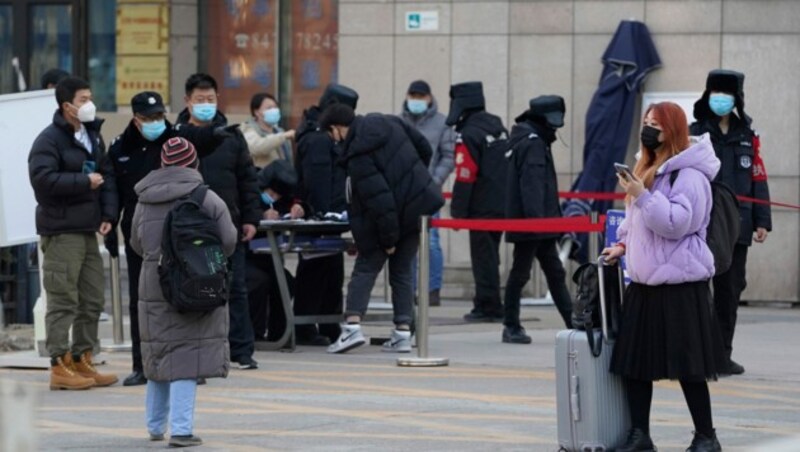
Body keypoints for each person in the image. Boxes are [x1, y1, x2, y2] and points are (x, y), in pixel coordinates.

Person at [603, 102, 727, 452]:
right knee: (636, 365)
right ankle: (640, 435)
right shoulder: (648, 167)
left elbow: (675, 225)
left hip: (681, 284)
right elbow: (636, 222)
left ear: (672, 129)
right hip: (644, 283)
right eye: (645, 121)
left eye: (655, 123)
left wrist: (641, 196)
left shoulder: (690, 176)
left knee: (690, 366)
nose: (648, 129)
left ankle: (706, 436)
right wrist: (622, 246)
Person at [106, 91, 231, 387]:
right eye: (149, 118)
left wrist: (217, 133)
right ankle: (143, 365)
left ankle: (191, 366)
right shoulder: (119, 149)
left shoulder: (174, 140)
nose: (156, 123)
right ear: (136, 120)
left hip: (184, 237)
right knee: (145, 305)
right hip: (143, 235)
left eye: (159, 116)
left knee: (190, 296)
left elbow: (201, 139)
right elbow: (111, 189)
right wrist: (110, 223)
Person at [131, 137, 237, 448]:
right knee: (187, 358)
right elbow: (228, 242)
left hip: (154, 282)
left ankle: (154, 426)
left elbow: (137, 244)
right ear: (194, 163)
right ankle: (181, 430)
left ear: (162, 164)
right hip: (195, 283)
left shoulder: (144, 199)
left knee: (159, 355)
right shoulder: (207, 198)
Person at [319, 104, 443, 354]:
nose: (333, 140)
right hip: (416, 208)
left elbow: (381, 201)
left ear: (337, 128)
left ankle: (352, 328)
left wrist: (389, 238)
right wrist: (411, 180)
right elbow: (424, 148)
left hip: (390, 218)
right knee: (402, 272)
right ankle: (402, 333)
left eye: (330, 134)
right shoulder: (388, 121)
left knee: (365, 267)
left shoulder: (357, 154)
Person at [28, 76, 119, 390]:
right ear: (67, 106)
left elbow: (105, 174)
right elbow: (42, 180)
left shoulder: (92, 135)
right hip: (61, 230)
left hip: (87, 228)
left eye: (90, 97)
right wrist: (83, 182)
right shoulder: (49, 140)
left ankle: (84, 358)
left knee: (92, 299)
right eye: (83, 99)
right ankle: (59, 364)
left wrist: (108, 215)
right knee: (63, 300)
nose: (89, 104)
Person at [176, 73, 262, 370]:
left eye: (210, 99)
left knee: (235, 288)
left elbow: (247, 180)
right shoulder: (177, 137)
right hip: (189, 227)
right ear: (187, 102)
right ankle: (200, 350)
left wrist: (252, 218)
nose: (205, 105)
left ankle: (242, 350)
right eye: (199, 100)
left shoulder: (231, 135)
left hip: (229, 224)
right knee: (194, 288)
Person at [689, 69, 771, 376]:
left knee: (730, 291)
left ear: (736, 99)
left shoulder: (748, 137)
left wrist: (763, 221)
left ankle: (722, 353)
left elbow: (758, 179)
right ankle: (699, 353)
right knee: (696, 291)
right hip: (700, 226)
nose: (720, 100)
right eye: (715, 93)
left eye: (726, 94)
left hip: (737, 227)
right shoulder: (695, 133)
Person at [502, 95, 573, 344]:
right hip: (534, 224)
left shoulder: (529, 138)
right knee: (522, 274)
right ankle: (511, 325)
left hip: (537, 223)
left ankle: (572, 321)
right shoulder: (533, 143)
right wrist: (539, 223)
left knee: (553, 272)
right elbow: (533, 186)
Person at [292, 83, 359, 345]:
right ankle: (306, 328)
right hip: (319, 219)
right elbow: (319, 182)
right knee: (315, 274)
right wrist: (326, 214)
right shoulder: (318, 138)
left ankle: (330, 325)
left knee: (332, 274)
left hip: (329, 219)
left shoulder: (318, 134)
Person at [446, 81, 508, 322]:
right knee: (491, 256)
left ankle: (488, 306)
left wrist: (458, 212)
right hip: (502, 203)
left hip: (481, 206)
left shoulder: (469, 134)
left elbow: (465, 173)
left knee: (484, 258)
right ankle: (489, 302)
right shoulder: (497, 125)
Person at [399, 80, 455, 307]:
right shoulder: (399, 122)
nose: (416, 100)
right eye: (413, 95)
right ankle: (410, 289)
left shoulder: (442, 123)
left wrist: (434, 181)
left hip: (429, 192)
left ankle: (432, 290)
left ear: (430, 98)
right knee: (408, 243)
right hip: (404, 192)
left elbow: (448, 156)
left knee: (431, 243)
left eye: (421, 96)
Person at [246, 160, 307, 342]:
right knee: (259, 281)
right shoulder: (249, 192)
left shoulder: (284, 199)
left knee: (285, 282)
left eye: (278, 195)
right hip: (247, 257)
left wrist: (301, 209)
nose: (274, 197)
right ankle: (254, 333)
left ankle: (279, 333)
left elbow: (300, 208)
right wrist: (259, 216)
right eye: (271, 193)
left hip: (269, 259)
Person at [241, 92, 295, 168]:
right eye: (269, 108)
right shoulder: (248, 129)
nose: (274, 110)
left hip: (284, 177)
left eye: (275, 107)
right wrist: (284, 136)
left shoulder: (279, 131)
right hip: (261, 178)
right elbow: (257, 148)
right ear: (256, 112)